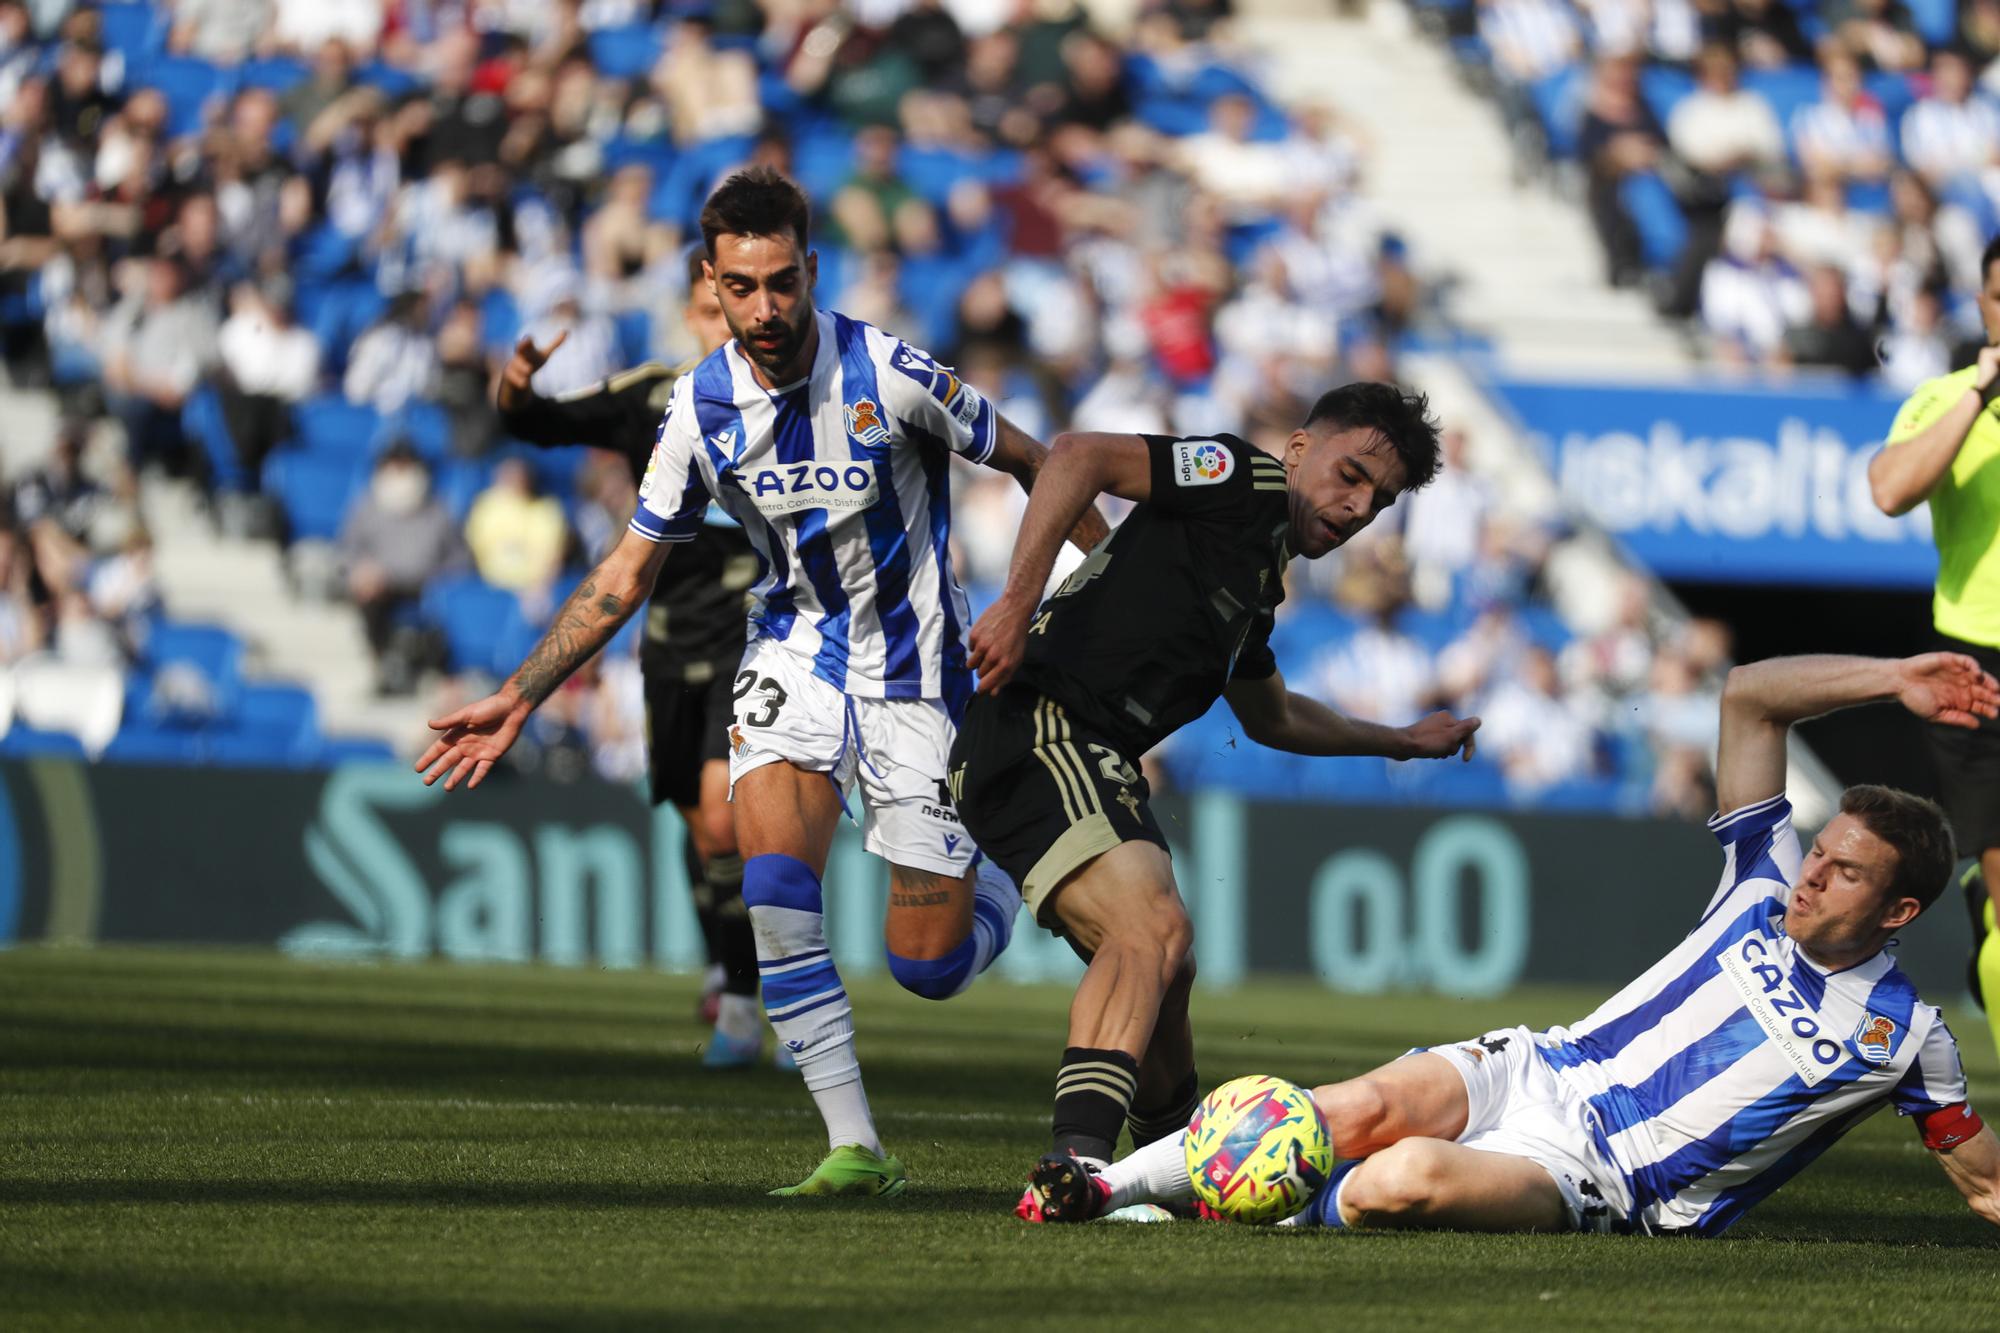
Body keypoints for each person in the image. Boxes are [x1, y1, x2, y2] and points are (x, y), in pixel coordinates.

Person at [416, 167, 1108, 1197]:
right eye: (741, 288)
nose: (764, 309)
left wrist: (1074, 596)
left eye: (782, 283)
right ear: (711, 281)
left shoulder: (888, 369)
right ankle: (855, 1145)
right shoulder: (697, 409)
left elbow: (1045, 463)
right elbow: (622, 575)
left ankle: (999, 880)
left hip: (918, 673)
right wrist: (519, 695)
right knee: (774, 889)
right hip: (791, 652)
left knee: (928, 966)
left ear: (809, 270)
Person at [1048, 653, 2000, 1236]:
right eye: (1821, 850)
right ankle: (1096, 1184)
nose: (1813, 871)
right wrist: (1893, 679)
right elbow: (1751, 698)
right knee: (1352, 1107)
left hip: (1599, 1177)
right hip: (1540, 1066)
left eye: (1845, 871)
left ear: (1899, 912)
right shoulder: (1757, 878)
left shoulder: (1907, 1038)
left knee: (1399, 1179)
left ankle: (1236, 1204)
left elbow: (1984, 1184)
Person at [953, 385, 1480, 1220]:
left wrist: (1401, 740)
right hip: (1040, 724)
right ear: (1301, 449)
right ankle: (1074, 1164)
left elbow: (1272, 716)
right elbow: (1080, 454)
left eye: (1376, 501)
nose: (1355, 506)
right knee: (1150, 928)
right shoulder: (1244, 478)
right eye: (1349, 475)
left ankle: (1180, 1172)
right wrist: (1015, 603)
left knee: (1170, 964)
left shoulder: (1257, 577)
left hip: (1082, 751)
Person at [495, 248, 773, 1069]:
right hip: (669, 640)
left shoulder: (790, 405)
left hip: (761, 635)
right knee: (703, 828)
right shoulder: (654, 397)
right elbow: (539, 424)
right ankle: (737, 974)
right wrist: (515, 384)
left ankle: (758, 999)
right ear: (694, 313)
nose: (725, 320)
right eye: (710, 305)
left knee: (729, 817)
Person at [1869, 233, 2000, 1063]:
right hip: (1976, 667)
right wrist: (1979, 395)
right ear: (1984, 302)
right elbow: (1889, 490)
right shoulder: (1945, 396)